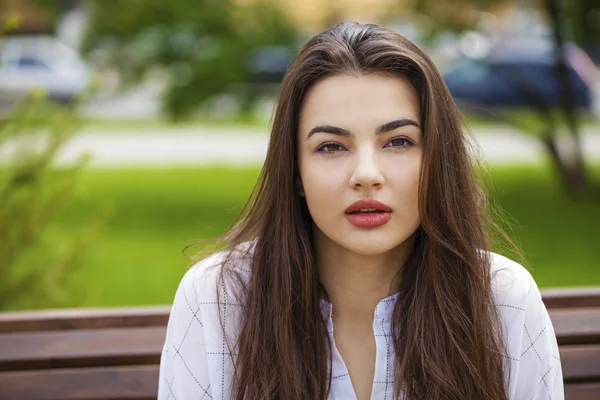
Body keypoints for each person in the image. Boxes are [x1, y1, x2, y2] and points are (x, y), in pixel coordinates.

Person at [158, 22, 563, 400]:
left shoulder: (503, 301)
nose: (366, 175)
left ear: (438, 160)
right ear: (295, 171)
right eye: (331, 146)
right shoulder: (218, 300)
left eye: (399, 142)